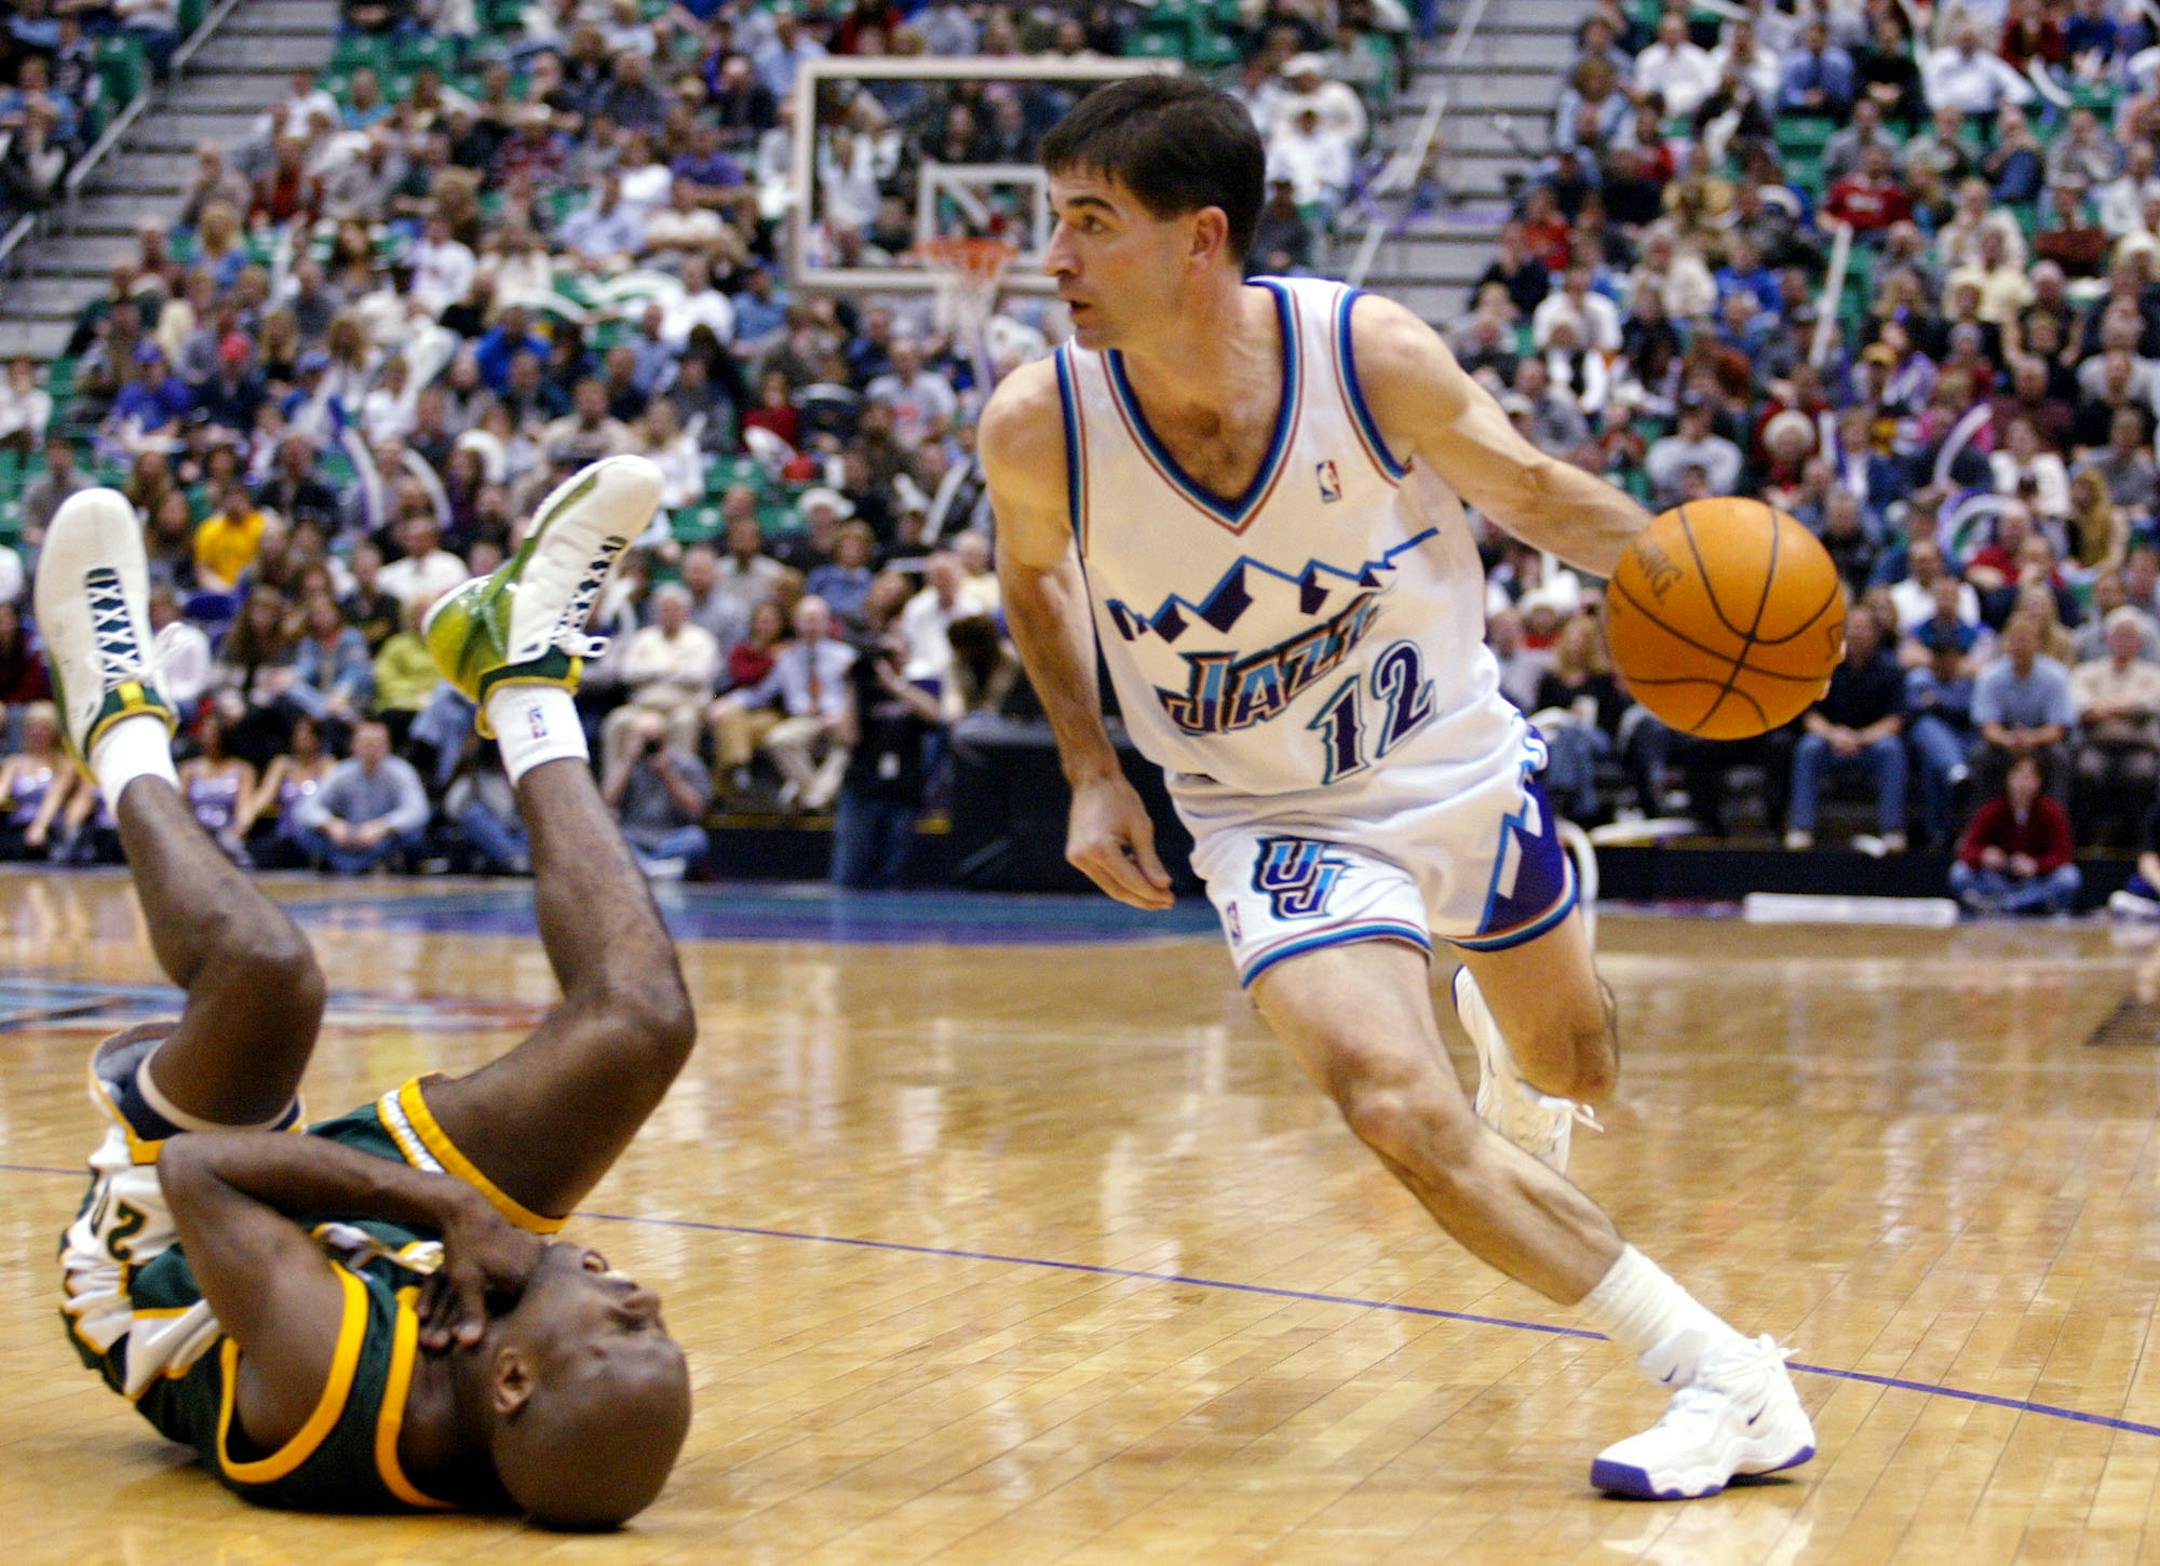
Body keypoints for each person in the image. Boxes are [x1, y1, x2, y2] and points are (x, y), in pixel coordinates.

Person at [985, 75, 1813, 1501]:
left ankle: (1507, 987)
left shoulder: (1364, 353)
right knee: (1394, 1105)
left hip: (1459, 768)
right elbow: (1031, 572)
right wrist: (1088, 767)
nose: (1053, 259)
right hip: (1270, 817)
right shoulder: (1039, 422)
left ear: (1200, 238)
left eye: (1088, 223)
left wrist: (1704, 576)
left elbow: (1536, 492)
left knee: (1576, 1071)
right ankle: (1723, 1374)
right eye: (1053, 221)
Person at [35, 462, 693, 1525]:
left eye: (628, 1329)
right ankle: (520, 670)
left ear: (513, 1382)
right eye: (658, 1326)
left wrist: (444, 1204)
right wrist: (441, 1223)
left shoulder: (325, 1376)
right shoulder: (511, 1386)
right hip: (371, 1250)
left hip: (175, 1242)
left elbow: (207, 1172)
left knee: (270, 978)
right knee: (643, 1027)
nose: (645, 1299)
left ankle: (117, 721)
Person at [1784, 605, 1907, 852]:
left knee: (1892, 749)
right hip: (1830, 743)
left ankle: (1892, 829)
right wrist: (1833, 735)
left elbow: (1895, 720)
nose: (1857, 633)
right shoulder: (1825, 665)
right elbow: (1809, 716)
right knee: (1808, 747)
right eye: (1852, 627)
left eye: (1863, 627)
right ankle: (1801, 828)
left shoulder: (1891, 669)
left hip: (1871, 744)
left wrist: (1860, 738)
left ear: (1876, 633)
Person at [832, 626, 942, 889]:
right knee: (850, 872)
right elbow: (847, 738)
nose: (890, 659)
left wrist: (894, 684)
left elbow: (934, 714)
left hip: (903, 789)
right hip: (863, 787)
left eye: (896, 653)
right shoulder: (862, 689)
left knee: (894, 875)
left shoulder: (918, 684)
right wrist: (852, 687)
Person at [291, 718, 431, 874]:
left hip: (384, 839)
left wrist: (383, 826)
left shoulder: (401, 771)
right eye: (366, 743)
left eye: (377, 743)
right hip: (349, 837)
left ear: (387, 746)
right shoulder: (342, 772)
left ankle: (357, 866)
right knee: (304, 831)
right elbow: (305, 807)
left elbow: (419, 811)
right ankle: (355, 865)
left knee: (413, 836)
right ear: (354, 745)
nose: (371, 749)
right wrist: (331, 824)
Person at [1950, 752, 2081, 915]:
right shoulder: (1992, 810)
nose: (2022, 784)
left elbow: (2063, 854)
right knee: (1960, 872)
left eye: (2029, 777)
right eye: (2018, 776)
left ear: (2038, 781)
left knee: (2069, 877)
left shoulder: (2051, 811)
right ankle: (2020, 903)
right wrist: (1984, 856)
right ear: (2007, 779)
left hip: (2035, 880)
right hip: (1998, 879)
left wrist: (2036, 865)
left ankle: (2010, 905)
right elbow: (1966, 849)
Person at [601, 708, 713, 879]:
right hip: (634, 836)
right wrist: (627, 762)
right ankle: (653, 869)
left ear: (665, 738)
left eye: (652, 739)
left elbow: (696, 809)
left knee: (696, 838)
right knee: (614, 835)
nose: (648, 745)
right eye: (641, 739)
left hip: (671, 838)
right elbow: (607, 802)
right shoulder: (626, 765)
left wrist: (667, 773)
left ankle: (643, 867)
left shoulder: (687, 765)